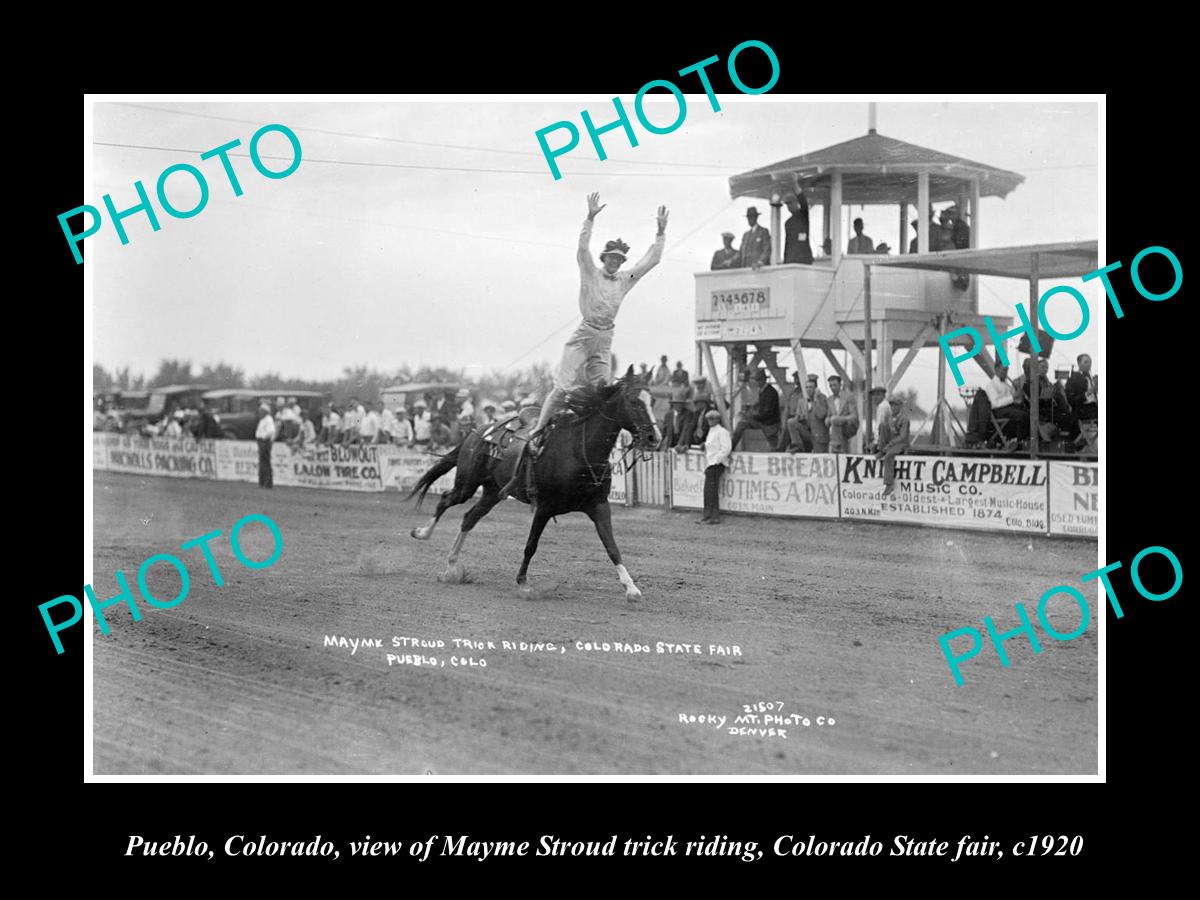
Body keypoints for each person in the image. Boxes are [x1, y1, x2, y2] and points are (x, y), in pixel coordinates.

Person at [518, 192, 668, 459]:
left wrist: (660, 233)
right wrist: (589, 218)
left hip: (605, 338)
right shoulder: (590, 271)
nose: (615, 261)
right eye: (611, 257)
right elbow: (582, 250)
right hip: (584, 334)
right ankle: (537, 432)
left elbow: (650, 262)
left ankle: (592, 441)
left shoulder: (624, 279)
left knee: (603, 393)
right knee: (562, 387)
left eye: (619, 259)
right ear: (604, 258)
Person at [731, 369, 780, 450]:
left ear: (764, 379)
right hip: (765, 421)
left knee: (742, 424)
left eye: (759, 380)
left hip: (769, 423)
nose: (757, 382)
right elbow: (761, 407)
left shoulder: (771, 392)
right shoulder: (763, 391)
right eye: (756, 380)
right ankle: (732, 447)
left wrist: (753, 416)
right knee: (743, 422)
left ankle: (731, 447)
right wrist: (751, 409)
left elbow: (767, 412)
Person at [698, 409, 731, 525]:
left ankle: (713, 516)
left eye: (713, 419)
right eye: (709, 419)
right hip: (710, 463)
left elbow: (726, 448)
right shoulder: (711, 431)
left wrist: (717, 460)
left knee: (711, 490)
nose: (710, 421)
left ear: (718, 419)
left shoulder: (722, 432)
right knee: (709, 491)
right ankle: (708, 515)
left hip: (716, 464)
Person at [876, 394, 911, 498]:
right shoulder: (890, 417)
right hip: (892, 442)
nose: (893, 408)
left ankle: (889, 484)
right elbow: (887, 432)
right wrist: (885, 444)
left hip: (902, 443)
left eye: (895, 405)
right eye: (891, 405)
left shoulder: (904, 419)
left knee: (889, 456)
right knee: (882, 425)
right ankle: (881, 449)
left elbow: (903, 436)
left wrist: (890, 445)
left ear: (900, 406)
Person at [777, 372, 812, 452]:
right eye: (795, 379)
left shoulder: (805, 394)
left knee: (790, 426)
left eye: (798, 379)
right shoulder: (793, 393)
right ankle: (780, 449)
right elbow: (787, 408)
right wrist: (783, 423)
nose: (796, 381)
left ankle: (782, 448)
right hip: (791, 417)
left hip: (802, 420)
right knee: (786, 429)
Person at [1065, 353, 1098, 434]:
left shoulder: (1090, 378)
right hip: (1082, 412)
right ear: (1079, 364)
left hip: (1093, 409)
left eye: (1090, 362)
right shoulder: (1073, 378)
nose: (1089, 365)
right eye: (1086, 362)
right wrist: (1088, 393)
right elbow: (1071, 401)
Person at [825, 375, 858, 453]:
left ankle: (837, 448)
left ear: (840, 385)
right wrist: (827, 420)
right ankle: (836, 448)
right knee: (833, 421)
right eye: (831, 386)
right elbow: (828, 416)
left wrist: (839, 419)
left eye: (835, 385)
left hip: (848, 427)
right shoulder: (829, 399)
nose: (833, 388)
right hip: (835, 431)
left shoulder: (848, 397)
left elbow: (854, 416)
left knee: (834, 420)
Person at [661, 378, 695, 450]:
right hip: (671, 443)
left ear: (683, 405)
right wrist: (660, 442)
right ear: (673, 404)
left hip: (682, 444)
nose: (679, 406)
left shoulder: (688, 414)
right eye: (676, 404)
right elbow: (664, 430)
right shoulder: (668, 415)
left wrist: (680, 444)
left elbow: (685, 430)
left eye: (680, 404)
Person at [782, 192, 813, 264]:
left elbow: (804, 203)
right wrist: (785, 261)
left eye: (791, 203)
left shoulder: (803, 216)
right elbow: (787, 244)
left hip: (804, 259)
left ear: (796, 202)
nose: (789, 206)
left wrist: (797, 188)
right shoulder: (788, 223)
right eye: (788, 204)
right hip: (791, 260)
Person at [806, 375, 830, 452]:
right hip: (810, 435)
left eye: (811, 387)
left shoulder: (822, 398)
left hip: (820, 436)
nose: (808, 389)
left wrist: (816, 399)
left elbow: (821, 414)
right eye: (807, 387)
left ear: (816, 388)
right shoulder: (806, 400)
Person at [255, 403, 275, 489]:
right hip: (261, 442)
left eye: (260, 411)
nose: (259, 412)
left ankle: (267, 483)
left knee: (265, 463)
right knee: (262, 462)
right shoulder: (262, 420)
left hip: (264, 442)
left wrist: (263, 437)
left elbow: (271, 431)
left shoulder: (268, 419)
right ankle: (262, 482)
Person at [690, 376, 714, 446]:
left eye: (700, 384)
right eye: (697, 384)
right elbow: (691, 428)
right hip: (696, 442)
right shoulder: (696, 413)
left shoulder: (710, 392)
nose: (699, 386)